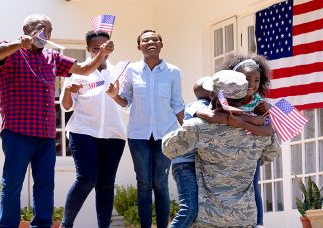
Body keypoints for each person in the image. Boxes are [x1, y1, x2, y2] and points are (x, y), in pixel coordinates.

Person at [0, 14, 114, 228]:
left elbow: (84, 70)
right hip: (18, 132)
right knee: (12, 184)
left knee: (45, 185)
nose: (45, 34)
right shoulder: (11, 51)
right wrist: (19, 44)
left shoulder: (52, 57)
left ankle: (42, 225)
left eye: (48, 30)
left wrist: (102, 53)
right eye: (40, 28)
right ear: (26, 29)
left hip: (46, 135)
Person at [162, 70, 281, 227]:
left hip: (209, 218)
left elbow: (168, 148)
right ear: (243, 97)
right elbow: (271, 154)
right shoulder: (260, 130)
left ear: (213, 95)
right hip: (244, 217)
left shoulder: (198, 127)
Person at [107, 29, 184, 228]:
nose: (150, 42)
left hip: (166, 135)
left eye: (154, 39)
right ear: (139, 46)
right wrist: (115, 95)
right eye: (145, 40)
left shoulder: (173, 71)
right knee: (143, 184)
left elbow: (177, 104)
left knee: (161, 183)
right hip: (138, 135)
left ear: (161, 43)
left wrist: (188, 132)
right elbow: (126, 101)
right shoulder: (131, 70)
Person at [59, 30, 127, 228]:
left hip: (114, 135)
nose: (101, 53)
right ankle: (66, 224)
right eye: (96, 49)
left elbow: (125, 103)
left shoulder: (119, 71)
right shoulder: (76, 73)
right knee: (86, 179)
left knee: (106, 184)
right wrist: (69, 92)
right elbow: (66, 106)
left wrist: (115, 94)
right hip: (83, 132)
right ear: (88, 49)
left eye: (104, 48)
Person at [217, 53, 274, 227]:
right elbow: (223, 116)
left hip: (250, 153)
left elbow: (268, 130)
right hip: (226, 152)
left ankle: (259, 223)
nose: (253, 84)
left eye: (257, 80)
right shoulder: (225, 97)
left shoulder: (259, 102)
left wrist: (269, 109)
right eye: (248, 79)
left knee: (253, 186)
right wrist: (250, 120)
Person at [168, 76, 212, 228]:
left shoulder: (210, 104)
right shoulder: (198, 105)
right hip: (185, 165)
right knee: (189, 209)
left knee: (200, 212)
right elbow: (211, 117)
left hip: (196, 164)